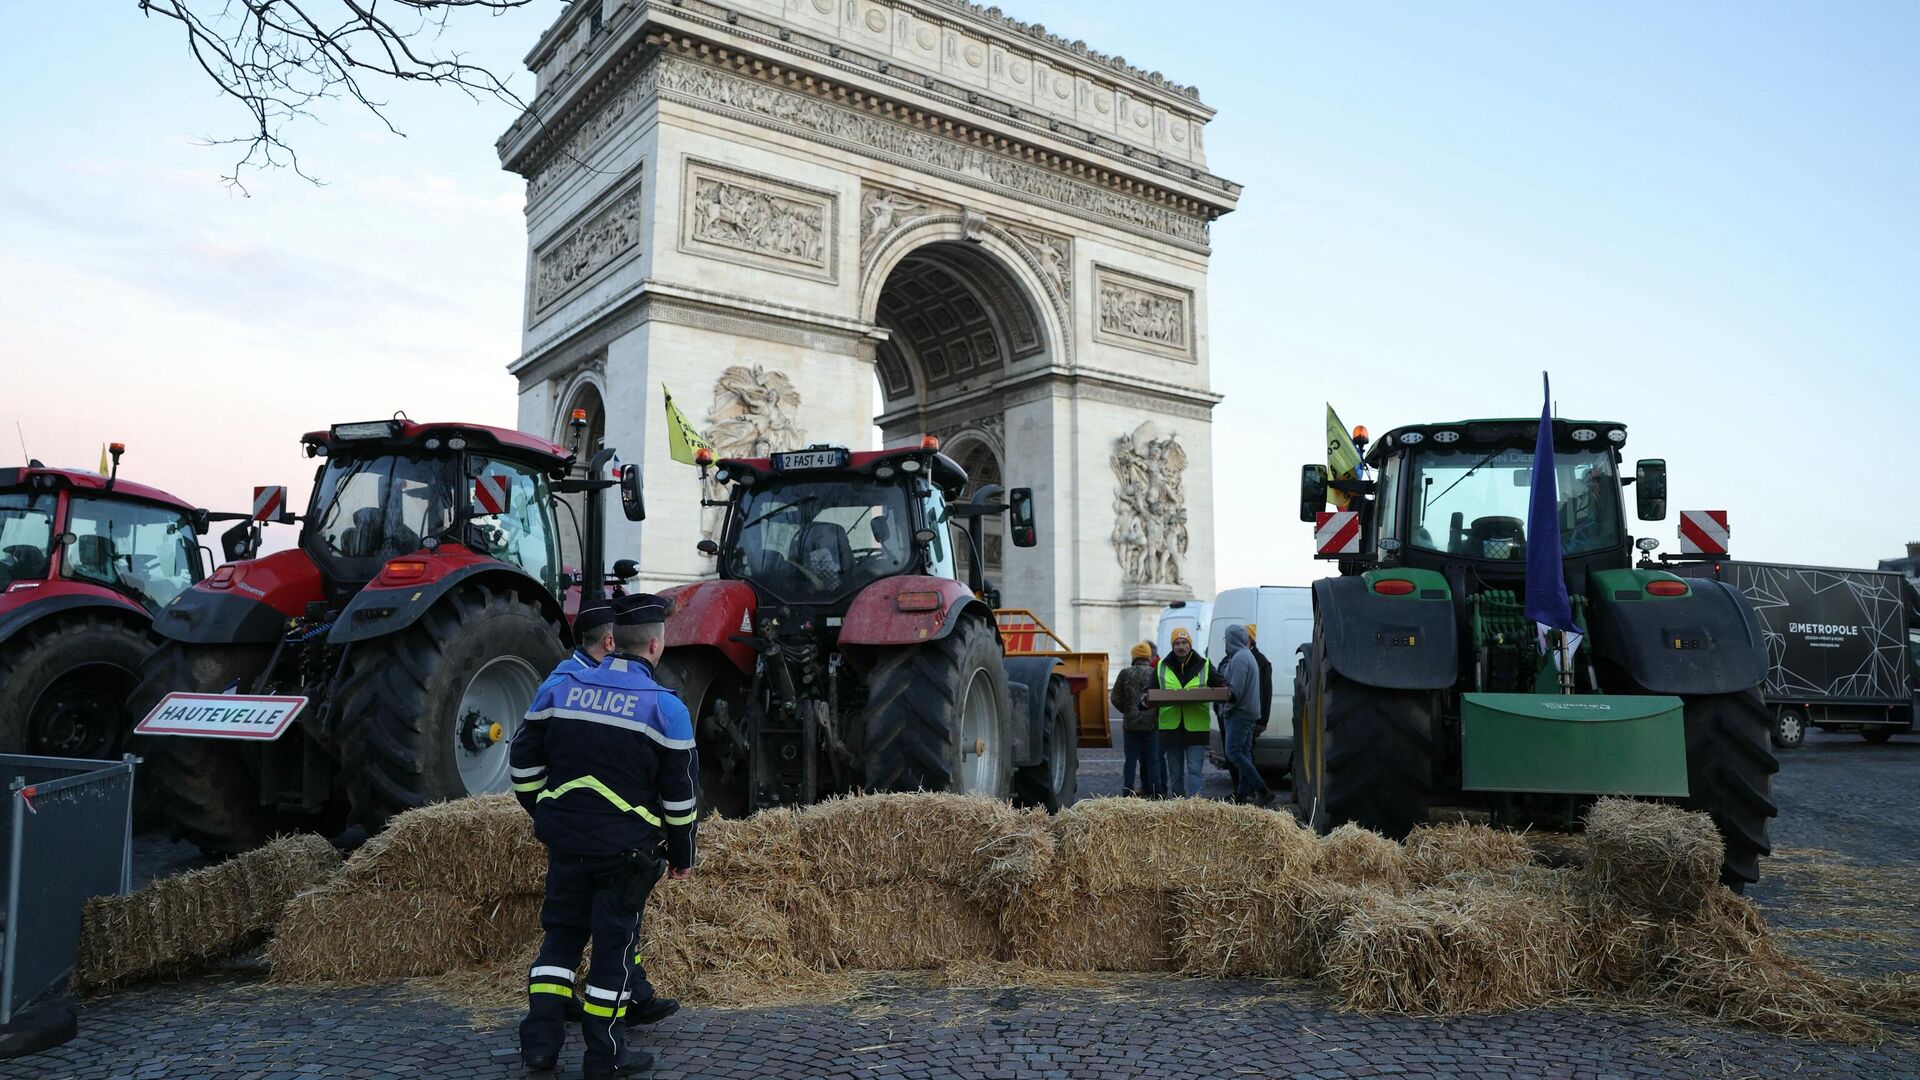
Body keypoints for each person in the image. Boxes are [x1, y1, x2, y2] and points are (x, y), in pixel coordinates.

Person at [510, 593, 699, 1077]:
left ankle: (539, 1047)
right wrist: (682, 854)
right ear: (655, 646)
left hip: (566, 843)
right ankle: (604, 1055)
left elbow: (523, 766)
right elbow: (679, 802)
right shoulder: (666, 709)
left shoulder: (562, 688)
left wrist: (547, 813)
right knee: (612, 951)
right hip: (624, 853)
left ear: (616, 642)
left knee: (560, 943)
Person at [1156, 627, 1226, 797]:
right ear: (1173, 646)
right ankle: (1178, 809)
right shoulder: (1161, 666)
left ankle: (1196, 808)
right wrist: (1143, 701)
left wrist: (1227, 691)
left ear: (1190, 644)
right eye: (1177, 643)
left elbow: (1221, 684)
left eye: (1184, 643)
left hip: (1196, 729)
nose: (1181, 647)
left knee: (1195, 771)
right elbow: (1149, 690)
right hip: (1171, 728)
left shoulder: (1205, 664)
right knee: (1175, 774)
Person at [1219, 624, 1274, 806]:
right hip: (1249, 712)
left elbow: (1236, 692)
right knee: (1244, 753)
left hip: (1240, 713)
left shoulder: (1240, 658)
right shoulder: (1247, 656)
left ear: (1231, 639)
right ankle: (1242, 794)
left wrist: (1225, 711)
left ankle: (1261, 788)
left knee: (1233, 753)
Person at [1109, 643, 1162, 797]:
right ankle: (1156, 792)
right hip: (1151, 723)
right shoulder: (1155, 673)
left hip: (1131, 724)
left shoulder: (1125, 673)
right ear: (1148, 656)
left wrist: (1127, 710)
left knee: (1131, 761)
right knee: (1153, 760)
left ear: (1133, 656)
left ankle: (1127, 792)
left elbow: (1115, 698)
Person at [1247, 623, 1274, 739]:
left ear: (1250, 639)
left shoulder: (1261, 662)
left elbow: (1266, 693)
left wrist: (1263, 721)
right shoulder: (1233, 657)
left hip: (1253, 718)